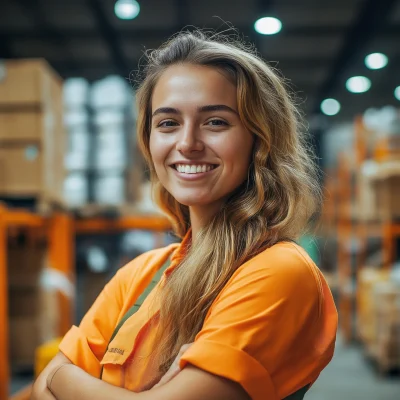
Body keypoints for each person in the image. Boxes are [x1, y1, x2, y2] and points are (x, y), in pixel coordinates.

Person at [31, 29, 337, 400]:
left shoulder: (278, 272)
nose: (187, 143)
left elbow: (50, 380)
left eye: (216, 122)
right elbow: (36, 391)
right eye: (168, 123)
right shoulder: (139, 276)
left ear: (260, 140)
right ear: (148, 140)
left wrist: (61, 377)